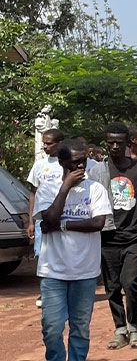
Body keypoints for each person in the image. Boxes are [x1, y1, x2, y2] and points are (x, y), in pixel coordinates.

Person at [33, 138, 112, 361]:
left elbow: (98, 223)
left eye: (84, 159)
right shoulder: (47, 189)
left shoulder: (96, 189)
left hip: (85, 271)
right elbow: (49, 218)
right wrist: (65, 187)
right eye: (75, 160)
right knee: (52, 326)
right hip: (53, 270)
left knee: (81, 326)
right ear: (62, 161)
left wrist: (64, 226)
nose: (81, 164)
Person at [90, 122, 137, 350]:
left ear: (127, 143)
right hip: (107, 237)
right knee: (113, 286)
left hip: (133, 236)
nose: (114, 146)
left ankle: (134, 327)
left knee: (130, 282)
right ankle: (119, 328)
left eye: (119, 142)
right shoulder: (97, 171)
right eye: (110, 142)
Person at [27, 128, 66, 307]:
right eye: (44, 142)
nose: (45, 146)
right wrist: (31, 221)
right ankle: (45, 292)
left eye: (49, 143)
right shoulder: (39, 165)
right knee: (41, 254)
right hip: (42, 218)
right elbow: (33, 193)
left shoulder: (67, 164)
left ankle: (63, 291)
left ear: (60, 143)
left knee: (62, 253)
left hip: (63, 216)